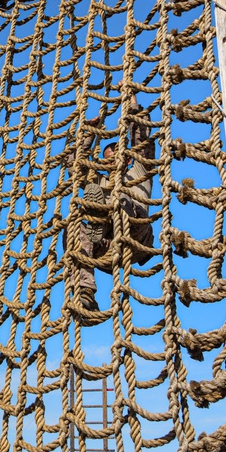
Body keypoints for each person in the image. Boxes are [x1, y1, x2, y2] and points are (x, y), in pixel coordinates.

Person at [67, 94, 155, 311]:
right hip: (108, 247)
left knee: (120, 197)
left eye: (113, 156)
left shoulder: (139, 170)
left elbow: (142, 141)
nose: (109, 160)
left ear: (126, 158)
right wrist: (89, 134)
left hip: (136, 237)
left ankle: (101, 216)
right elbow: (73, 166)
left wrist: (132, 103)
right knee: (74, 225)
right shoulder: (99, 180)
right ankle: (86, 292)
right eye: (105, 158)